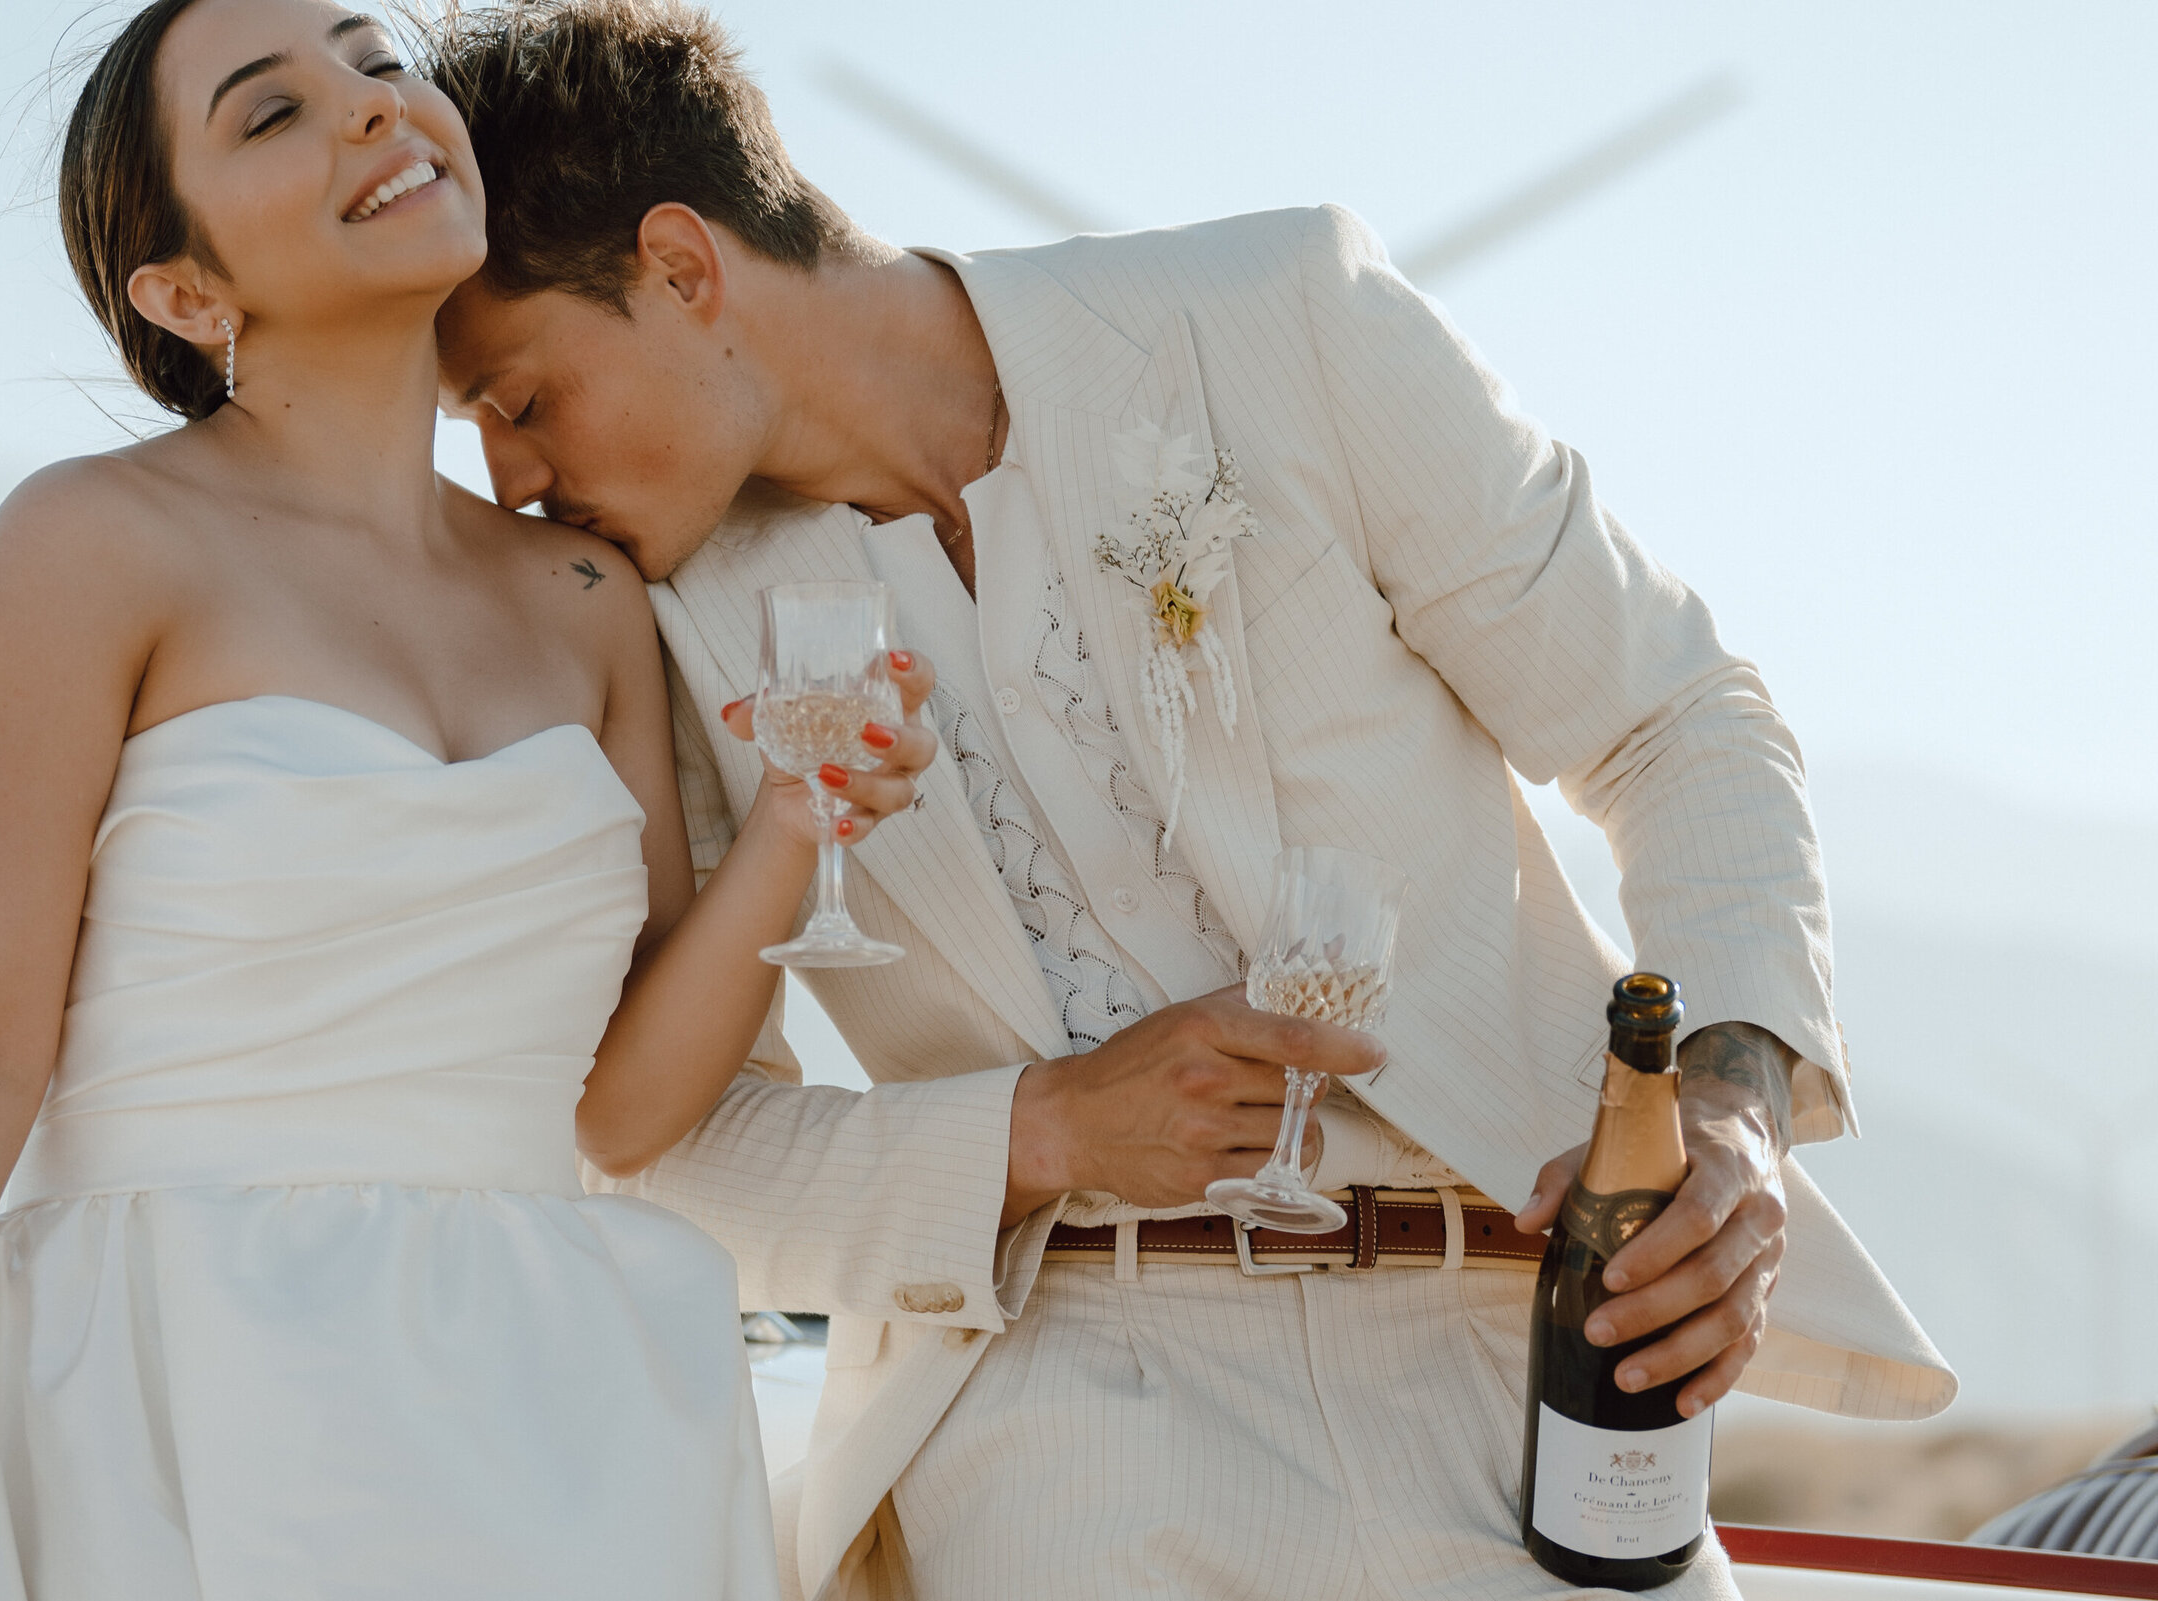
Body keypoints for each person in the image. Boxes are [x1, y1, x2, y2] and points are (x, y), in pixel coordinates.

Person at [426, 5, 1959, 1600]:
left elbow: (1676, 720)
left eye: (520, 399)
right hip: (1060, 1416)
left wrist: (1731, 1104)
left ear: (683, 266)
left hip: (1524, 1370)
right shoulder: (650, 617)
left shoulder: (1286, 315)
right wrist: (1041, 1129)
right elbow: (664, 1146)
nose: (512, 483)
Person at [0, 1, 942, 1595]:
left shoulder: (587, 590)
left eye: (376, 63)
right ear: (185, 291)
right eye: (272, 114)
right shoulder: (87, 548)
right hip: (173, 1394)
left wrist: (805, 823)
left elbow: (625, 1100)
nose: (374, 108)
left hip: (555, 1426)